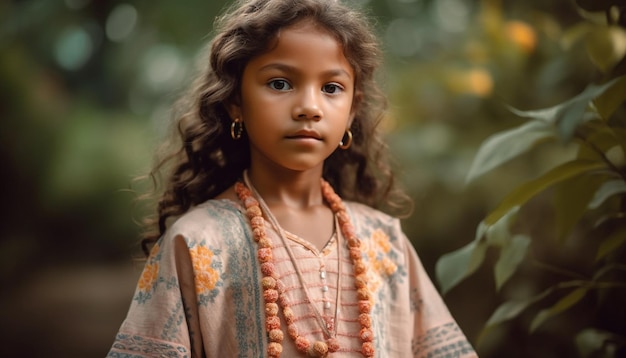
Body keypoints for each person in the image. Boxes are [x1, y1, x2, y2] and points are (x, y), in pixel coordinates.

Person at [107, 0, 478, 357]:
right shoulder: (198, 243)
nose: (309, 108)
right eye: (280, 84)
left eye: (331, 88)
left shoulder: (385, 244)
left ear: (351, 110)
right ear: (235, 100)